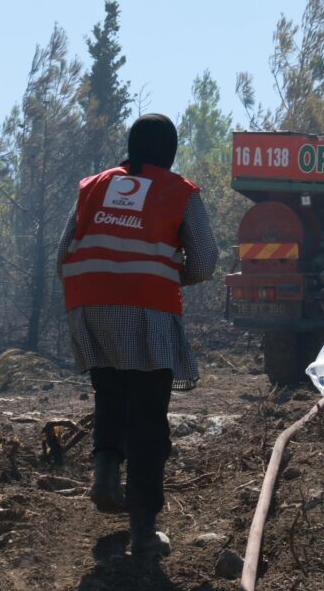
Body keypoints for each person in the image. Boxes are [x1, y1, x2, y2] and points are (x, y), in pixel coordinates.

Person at [57, 113, 218, 557]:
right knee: (148, 416)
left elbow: (62, 253)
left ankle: (106, 472)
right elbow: (204, 261)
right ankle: (144, 529)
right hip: (146, 309)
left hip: (90, 306)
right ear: (170, 150)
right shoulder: (179, 192)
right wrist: (165, 274)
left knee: (109, 392)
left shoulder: (94, 186)